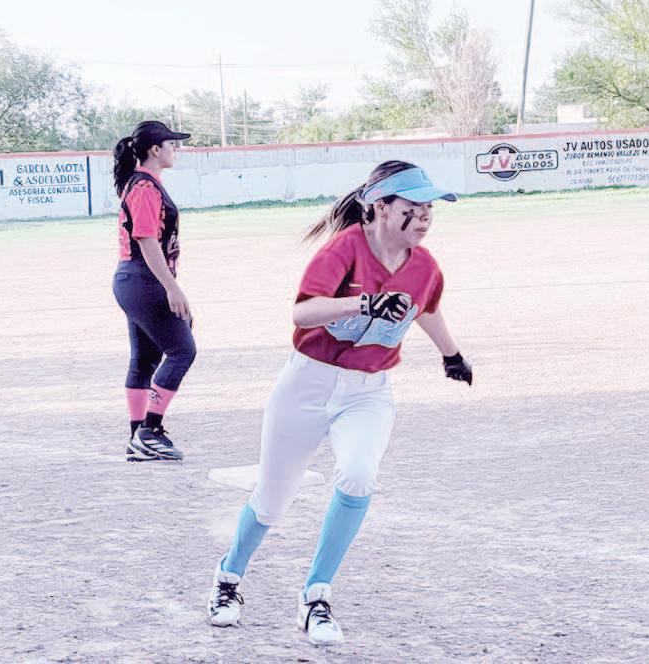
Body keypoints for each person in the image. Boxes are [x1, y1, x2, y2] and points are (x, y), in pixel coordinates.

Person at [206, 160, 473, 645]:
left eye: (429, 207)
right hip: (306, 385)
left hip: (368, 391)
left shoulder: (425, 266)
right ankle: (228, 579)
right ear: (380, 208)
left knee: (358, 475)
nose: (424, 216)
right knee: (272, 498)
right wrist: (363, 303)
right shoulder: (344, 249)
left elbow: (426, 309)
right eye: (413, 206)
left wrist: (451, 354)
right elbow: (303, 311)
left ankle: (316, 596)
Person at [112, 121, 196, 461]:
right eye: (171, 144)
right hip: (143, 279)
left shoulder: (143, 183)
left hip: (134, 281)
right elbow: (146, 241)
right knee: (182, 350)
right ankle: (150, 429)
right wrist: (172, 289)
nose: (175, 150)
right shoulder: (145, 187)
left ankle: (137, 437)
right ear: (155, 149)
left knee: (145, 359)